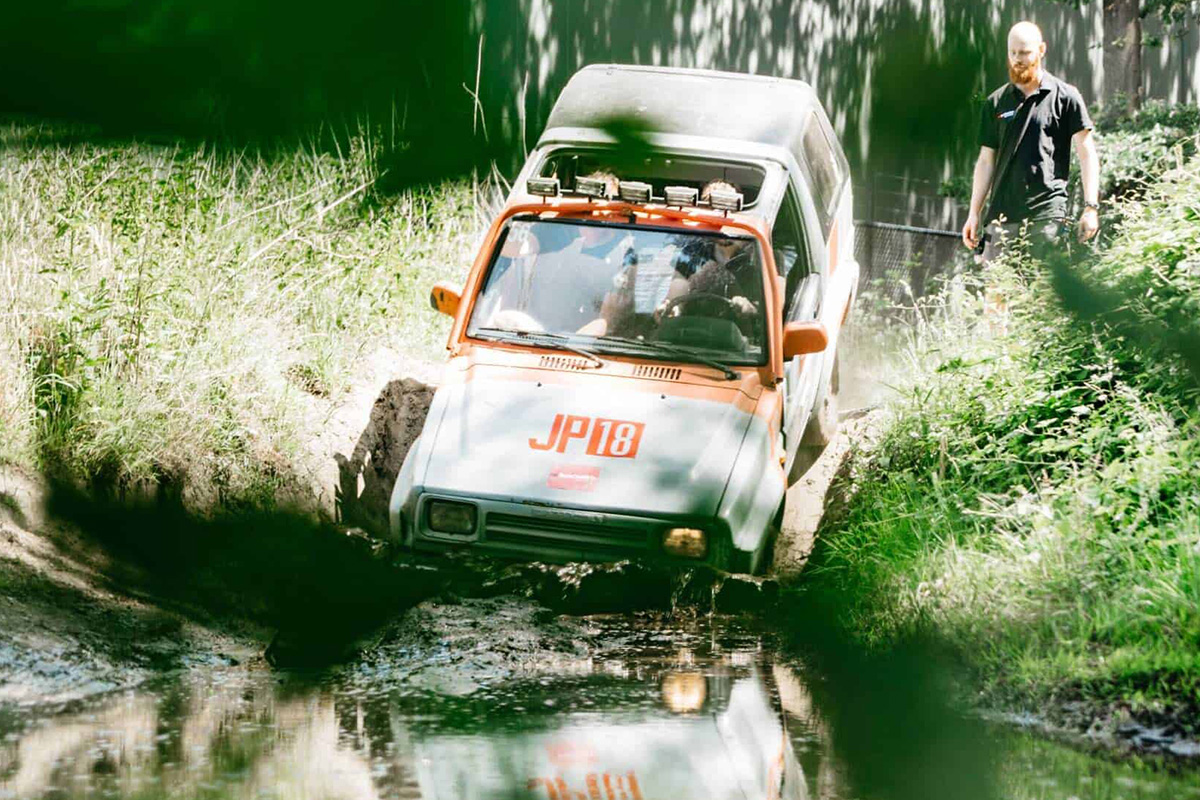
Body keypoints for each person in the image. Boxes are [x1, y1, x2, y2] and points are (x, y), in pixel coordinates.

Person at [962, 21, 1101, 261]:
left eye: (1025, 52)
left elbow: (1087, 154)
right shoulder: (995, 102)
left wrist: (1091, 208)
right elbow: (986, 161)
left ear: (1041, 50)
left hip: (1047, 214)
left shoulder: (1066, 96)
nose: (1017, 59)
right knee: (997, 296)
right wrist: (974, 213)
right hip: (1001, 217)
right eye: (1013, 52)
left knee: (1043, 293)